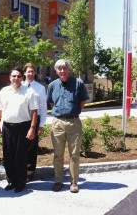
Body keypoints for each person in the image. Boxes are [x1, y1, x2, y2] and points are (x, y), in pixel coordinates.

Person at [46, 59, 89, 193]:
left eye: (65, 68)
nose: (62, 71)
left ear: (68, 70)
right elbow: (51, 103)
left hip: (74, 123)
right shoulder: (52, 85)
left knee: (74, 154)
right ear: (56, 71)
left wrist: (72, 113)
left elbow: (82, 102)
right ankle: (58, 181)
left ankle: (74, 182)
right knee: (58, 155)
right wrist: (61, 113)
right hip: (58, 123)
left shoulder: (78, 83)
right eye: (59, 69)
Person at [0, 67, 38, 193]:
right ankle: (11, 181)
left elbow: (34, 112)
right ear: (10, 78)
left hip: (23, 127)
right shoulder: (3, 91)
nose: (16, 78)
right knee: (8, 156)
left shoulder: (29, 92)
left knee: (21, 157)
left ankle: (20, 182)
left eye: (19, 76)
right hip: (7, 127)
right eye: (14, 76)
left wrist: (32, 129)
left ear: (22, 78)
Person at [22, 63, 47, 182]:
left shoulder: (40, 88)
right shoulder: (19, 86)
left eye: (32, 71)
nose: (30, 74)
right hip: (21, 121)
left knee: (31, 148)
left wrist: (41, 125)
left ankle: (30, 173)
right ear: (24, 73)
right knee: (20, 147)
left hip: (34, 120)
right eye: (28, 71)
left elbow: (43, 108)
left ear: (35, 73)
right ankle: (20, 171)